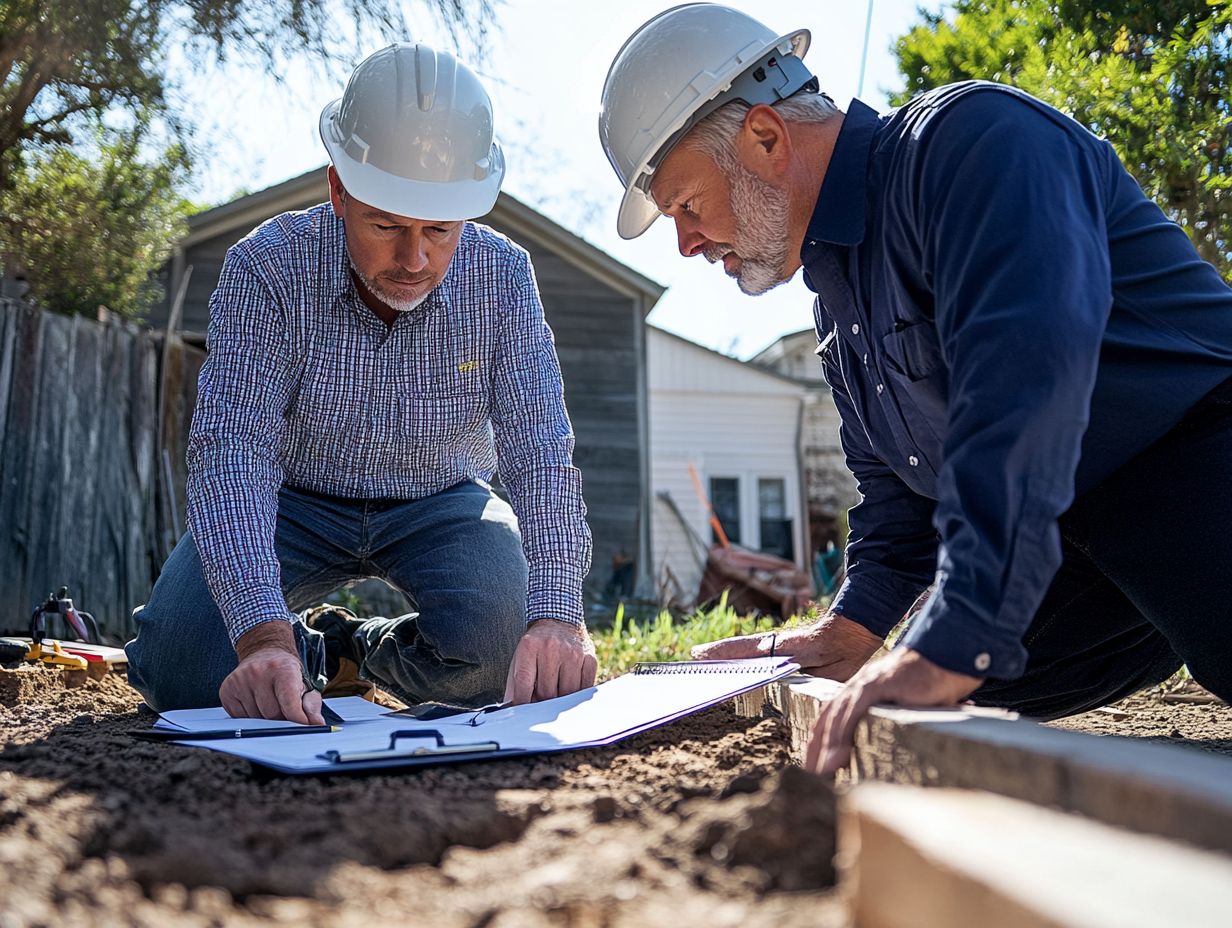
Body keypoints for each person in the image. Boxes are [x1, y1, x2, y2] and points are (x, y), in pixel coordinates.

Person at [598, 4, 1232, 773]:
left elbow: (1023, 390)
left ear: (765, 138)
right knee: (919, 690)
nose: (686, 243)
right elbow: (901, 505)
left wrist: (965, 623)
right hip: (1073, 534)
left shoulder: (974, 144)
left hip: (1195, 451)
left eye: (686, 207)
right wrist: (852, 629)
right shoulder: (838, 305)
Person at [126, 43, 596, 723]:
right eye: (385, 225)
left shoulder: (503, 279)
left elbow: (541, 449)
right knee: (190, 672)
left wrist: (557, 615)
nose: (414, 259)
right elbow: (233, 451)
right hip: (291, 500)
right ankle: (295, 653)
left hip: (443, 500)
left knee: (504, 653)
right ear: (339, 191)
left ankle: (355, 649)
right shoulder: (266, 270)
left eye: (438, 229)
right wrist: (261, 637)